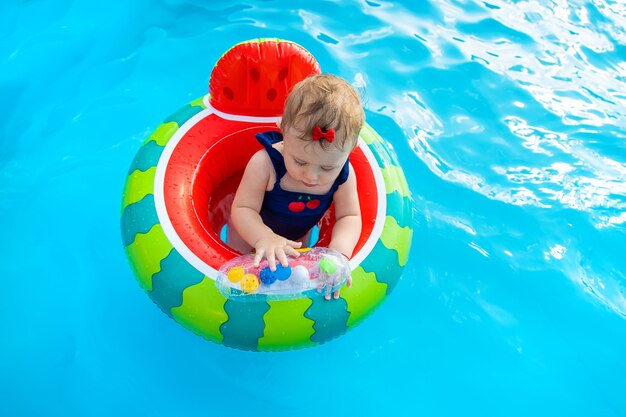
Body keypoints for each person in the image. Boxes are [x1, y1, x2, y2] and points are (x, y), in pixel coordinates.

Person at [228, 73, 364, 299]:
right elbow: (243, 209)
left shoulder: (344, 176)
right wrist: (263, 238)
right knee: (240, 271)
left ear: (352, 149)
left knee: (296, 274)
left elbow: (349, 216)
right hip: (249, 232)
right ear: (283, 130)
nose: (311, 176)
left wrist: (338, 253)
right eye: (300, 161)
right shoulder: (265, 165)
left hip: (298, 237)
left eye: (327, 169)